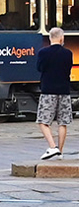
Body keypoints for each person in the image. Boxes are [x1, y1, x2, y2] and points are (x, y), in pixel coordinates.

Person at [36, 27, 74, 160]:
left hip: (48, 91)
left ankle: (52, 147)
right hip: (64, 91)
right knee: (62, 123)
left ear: (50, 38)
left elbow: (39, 68)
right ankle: (60, 153)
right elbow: (68, 69)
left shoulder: (43, 53)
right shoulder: (68, 53)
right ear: (61, 38)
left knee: (43, 121)